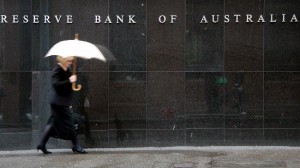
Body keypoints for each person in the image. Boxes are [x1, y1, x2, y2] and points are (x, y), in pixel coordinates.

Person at [37, 56, 87, 154]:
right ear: (63, 60)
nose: (71, 63)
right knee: (70, 123)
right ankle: (76, 145)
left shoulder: (67, 69)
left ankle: (42, 144)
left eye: (71, 61)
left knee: (53, 123)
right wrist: (70, 80)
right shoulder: (57, 70)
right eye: (69, 61)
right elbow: (56, 85)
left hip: (62, 102)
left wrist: (71, 81)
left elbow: (66, 87)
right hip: (58, 103)